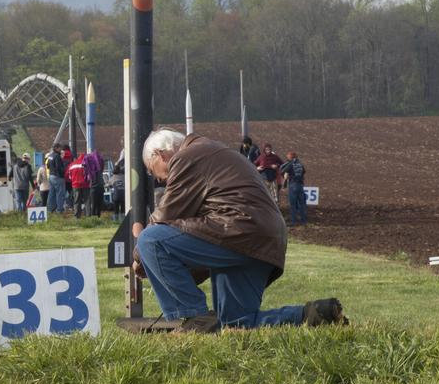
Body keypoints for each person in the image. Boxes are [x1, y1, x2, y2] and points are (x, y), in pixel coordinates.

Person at [132, 129, 344, 332]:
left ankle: (192, 320)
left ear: (160, 154)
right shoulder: (214, 151)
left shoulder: (186, 157)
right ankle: (312, 315)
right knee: (236, 325)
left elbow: (166, 216)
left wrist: (139, 255)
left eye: (153, 170)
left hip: (237, 232)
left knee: (151, 240)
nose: (159, 179)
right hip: (262, 239)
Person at [281, 150, 308, 226]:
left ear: (290, 158)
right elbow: (304, 172)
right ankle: (303, 221)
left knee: (292, 205)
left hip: (293, 185)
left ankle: (294, 222)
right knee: (302, 204)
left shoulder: (290, 164)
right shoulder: (300, 164)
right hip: (300, 186)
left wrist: (287, 176)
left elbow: (282, 171)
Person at [66, 153, 91, 219]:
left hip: (75, 185)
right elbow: (89, 175)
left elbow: (68, 176)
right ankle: (88, 215)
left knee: (77, 200)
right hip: (85, 185)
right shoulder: (86, 164)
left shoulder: (72, 164)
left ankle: (77, 216)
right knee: (87, 200)